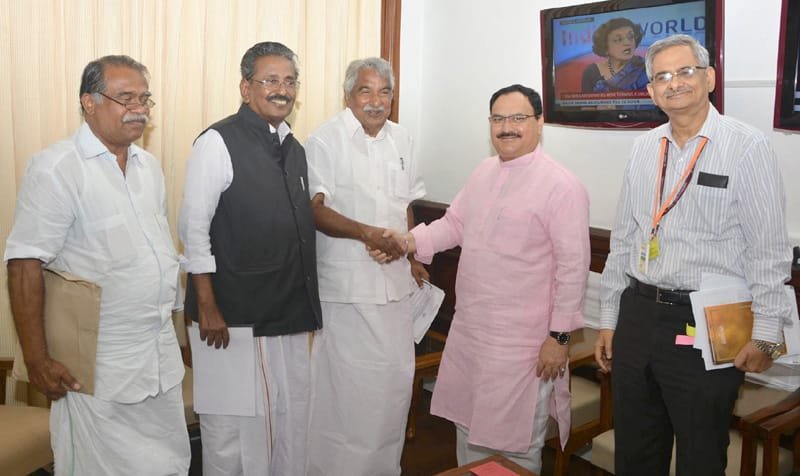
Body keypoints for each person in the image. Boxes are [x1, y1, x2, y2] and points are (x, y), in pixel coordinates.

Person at [595, 34, 792, 475]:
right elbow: (624, 240)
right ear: (649, 91)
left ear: (709, 78)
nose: (674, 83)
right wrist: (610, 319)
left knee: (700, 456)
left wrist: (765, 332)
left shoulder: (747, 146)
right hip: (639, 315)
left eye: (685, 72)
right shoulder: (644, 149)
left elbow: (768, 251)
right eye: (662, 76)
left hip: (705, 323)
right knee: (635, 451)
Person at [5, 55, 190, 475]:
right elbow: (23, 264)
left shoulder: (149, 167)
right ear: (89, 103)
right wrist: (37, 359)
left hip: (158, 359)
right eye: (125, 97)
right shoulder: (57, 168)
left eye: (145, 98)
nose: (139, 108)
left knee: (168, 466)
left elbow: (157, 256)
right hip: (97, 364)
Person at [400, 84, 590, 473]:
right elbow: (453, 225)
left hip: (522, 346)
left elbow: (573, 269)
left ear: (539, 122)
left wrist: (559, 339)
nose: (507, 128)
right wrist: (407, 241)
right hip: (471, 333)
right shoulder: (485, 171)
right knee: (467, 429)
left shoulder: (563, 186)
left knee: (512, 447)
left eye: (518, 118)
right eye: (498, 119)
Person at [178, 41, 322, 476]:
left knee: (288, 421)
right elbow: (192, 229)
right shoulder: (217, 141)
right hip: (232, 317)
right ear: (246, 88)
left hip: (288, 314)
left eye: (290, 81)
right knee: (232, 433)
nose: (282, 89)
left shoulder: (294, 148)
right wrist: (206, 305)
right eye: (270, 80)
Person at [304, 57, 427, 476]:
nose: (376, 101)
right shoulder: (324, 140)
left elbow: (405, 205)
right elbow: (314, 211)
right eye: (366, 91)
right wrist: (367, 234)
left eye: (384, 92)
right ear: (348, 95)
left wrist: (410, 256)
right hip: (347, 291)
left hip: (395, 289)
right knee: (348, 397)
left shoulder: (404, 139)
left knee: (392, 392)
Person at [581, 18, 649, 93]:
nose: (627, 43)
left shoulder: (645, 68)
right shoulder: (591, 72)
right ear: (605, 47)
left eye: (631, 37)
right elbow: (586, 104)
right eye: (618, 39)